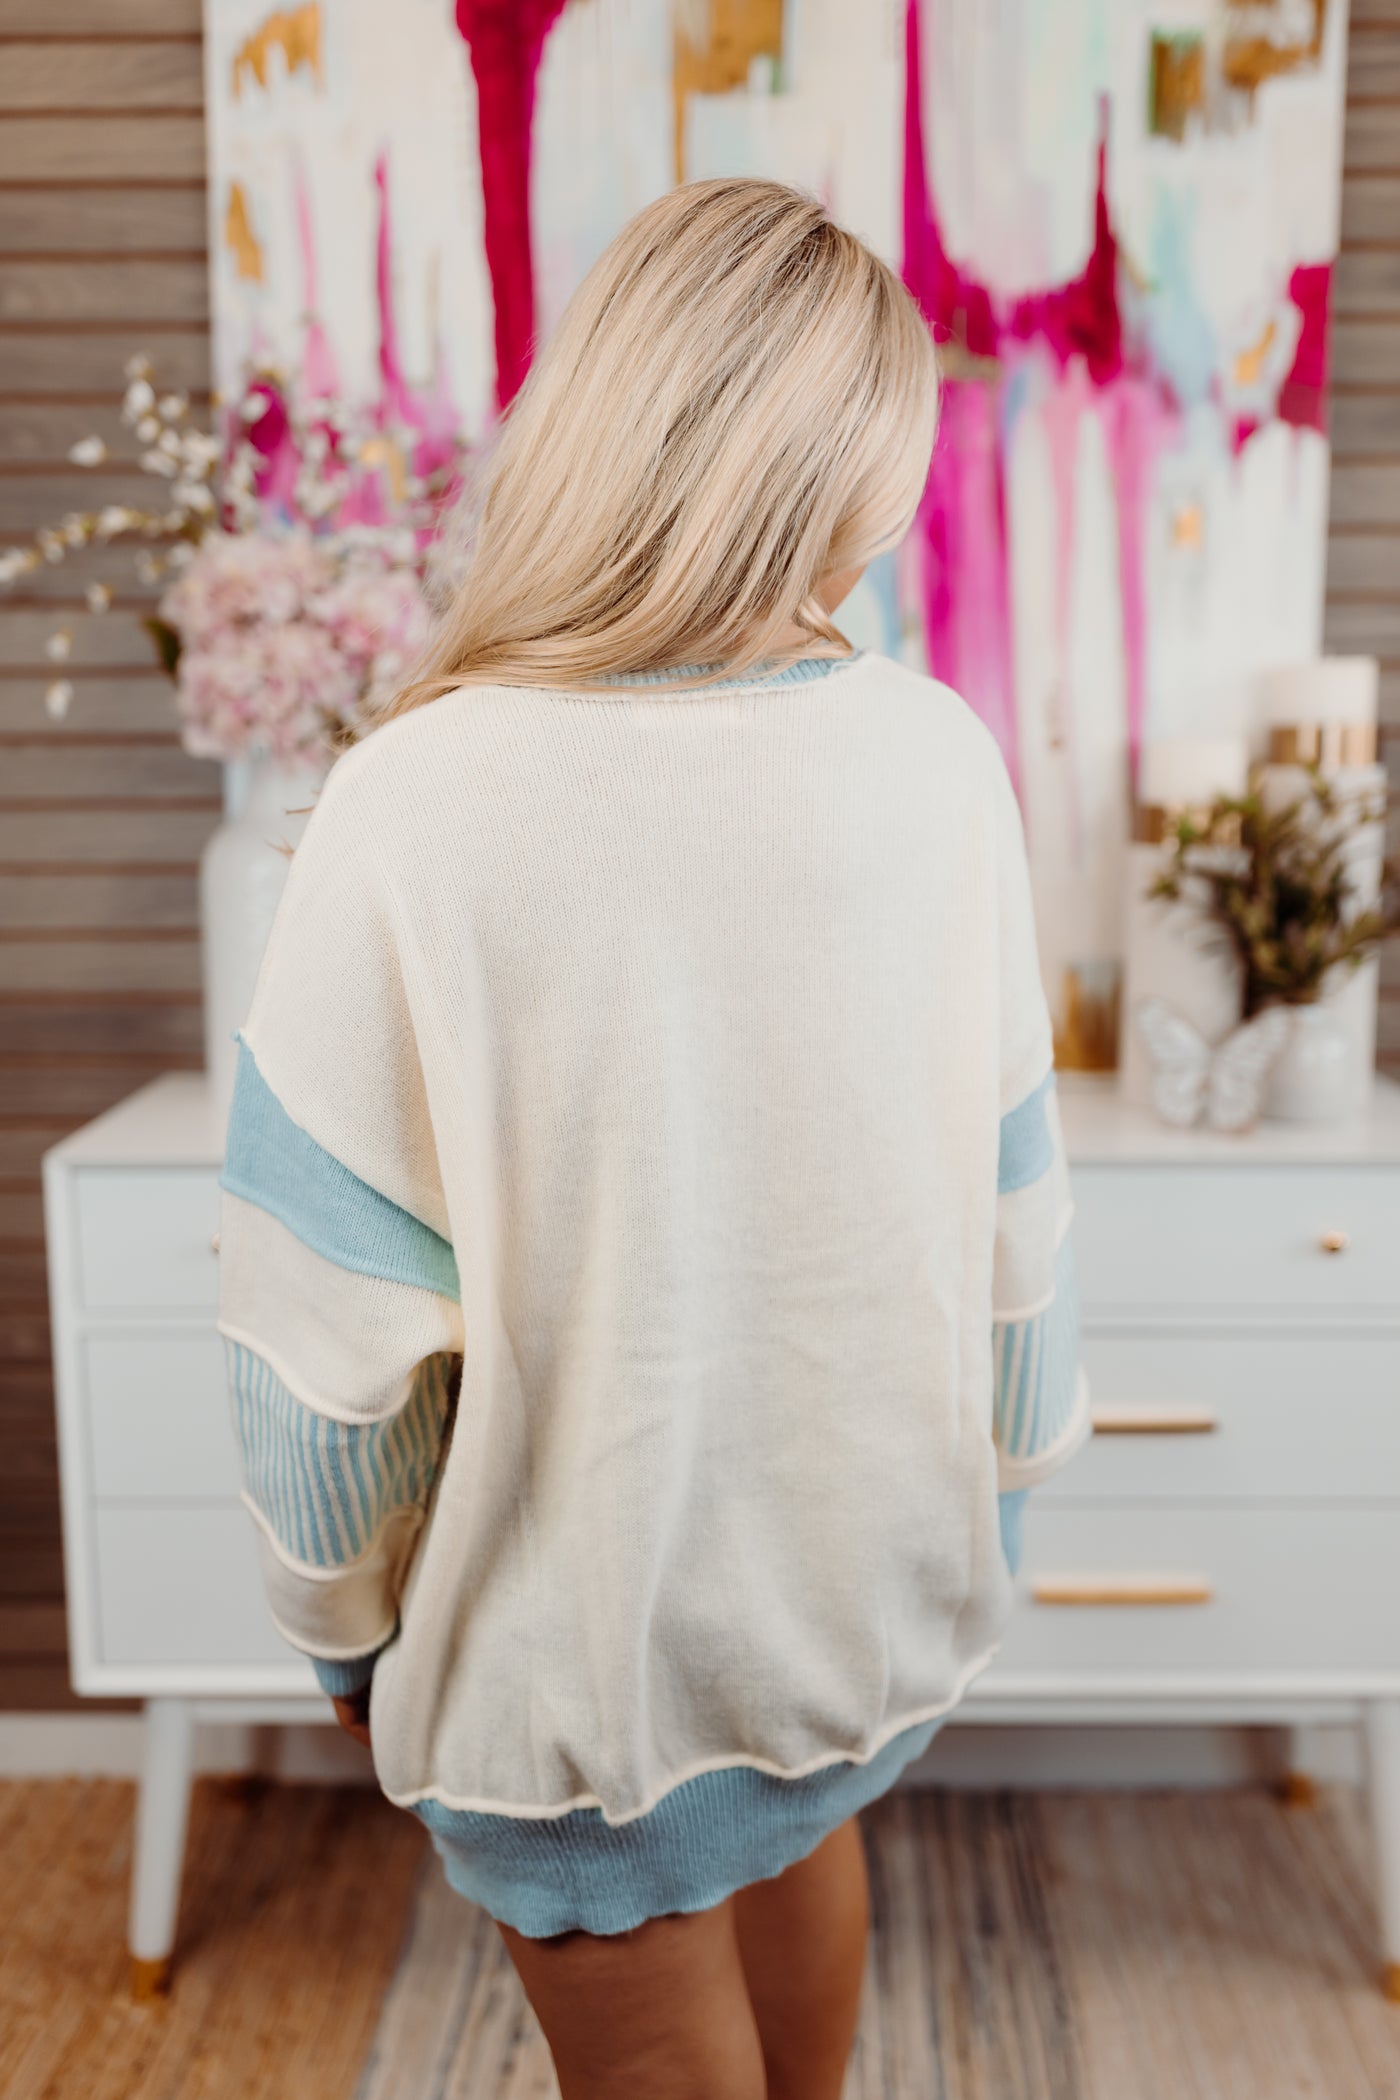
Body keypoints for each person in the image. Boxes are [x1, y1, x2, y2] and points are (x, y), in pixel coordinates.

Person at [216, 177, 1089, 2100]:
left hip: (580, 1661)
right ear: (852, 467)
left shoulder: (419, 796)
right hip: (845, 1607)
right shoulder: (939, 759)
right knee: (791, 1845)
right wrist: (986, 1515)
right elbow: (1014, 1227)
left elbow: (321, 1346)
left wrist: (344, 1644)